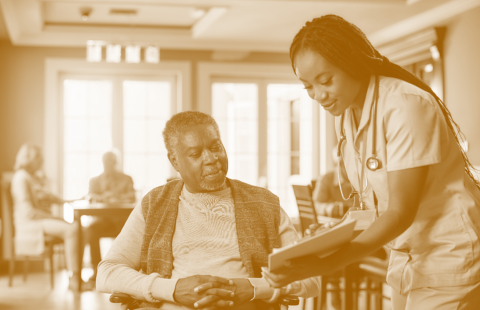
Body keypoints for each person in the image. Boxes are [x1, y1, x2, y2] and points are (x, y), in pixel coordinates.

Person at [262, 14, 480, 310]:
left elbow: (400, 212)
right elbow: (372, 206)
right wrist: (331, 236)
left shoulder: (405, 106)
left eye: (325, 81)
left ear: (352, 63)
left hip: (447, 256)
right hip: (406, 261)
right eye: (308, 87)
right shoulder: (348, 115)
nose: (318, 96)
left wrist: (325, 265)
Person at [96, 111, 321, 310]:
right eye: (195, 154)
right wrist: (172, 289)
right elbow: (107, 272)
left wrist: (254, 287)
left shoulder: (265, 203)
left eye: (216, 147)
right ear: (175, 161)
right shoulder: (155, 203)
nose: (212, 159)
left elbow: (311, 279)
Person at [10, 143, 83, 290]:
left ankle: (77, 277)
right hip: (29, 224)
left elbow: (50, 198)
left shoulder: (33, 177)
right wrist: (56, 218)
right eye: (39, 158)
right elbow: (28, 212)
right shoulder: (20, 178)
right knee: (72, 229)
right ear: (29, 158)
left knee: (78, 228)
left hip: (39, 220)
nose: (42, 161)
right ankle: (75, 279)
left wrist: (73, 200)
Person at [86, 150, 135, 283]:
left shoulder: (126, 179)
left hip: (123, 222)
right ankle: (96, 271)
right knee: (90, 230)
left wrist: (116, 196)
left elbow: (132, 196)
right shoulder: (95, 181)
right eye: (106, 162)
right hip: (103, 221)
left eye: (111, 162)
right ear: (102, 163)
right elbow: (91, 197)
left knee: (135, 231)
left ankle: (127, 272)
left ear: (115, 163)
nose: (108, 164)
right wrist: (104, 196)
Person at [312, 147, 356, 218]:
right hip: (332, 224)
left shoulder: (363, 180)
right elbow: (315, 206)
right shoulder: (326, 179)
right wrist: (330, 208)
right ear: (340, 163)